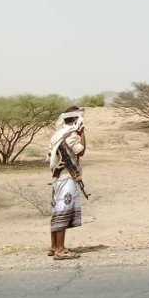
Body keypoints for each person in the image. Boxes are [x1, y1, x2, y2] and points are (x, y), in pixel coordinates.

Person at [47, 106, 87, 260]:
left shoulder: (57, 134)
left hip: (57, 177)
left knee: (57, 209)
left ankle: (53, 246)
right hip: (67, 177)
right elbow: (80, 151)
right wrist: (82, 134)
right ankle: (60, 250)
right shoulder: (71, 135)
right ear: (76, 120)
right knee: (63, 209)